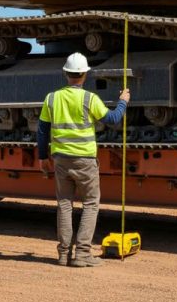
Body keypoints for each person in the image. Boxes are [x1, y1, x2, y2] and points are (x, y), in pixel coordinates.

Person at [38, 52, 131, 267]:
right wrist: (123, 102)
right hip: (85, 161)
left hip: (61, 159)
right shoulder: (90, 99)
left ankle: (63, 255)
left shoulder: (51, 98)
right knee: (90, 204)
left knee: (64, 204)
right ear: (85, 75)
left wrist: (42, 157)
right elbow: (113, 119)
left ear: (65, 73)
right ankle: (82, 254)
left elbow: (42, 130)